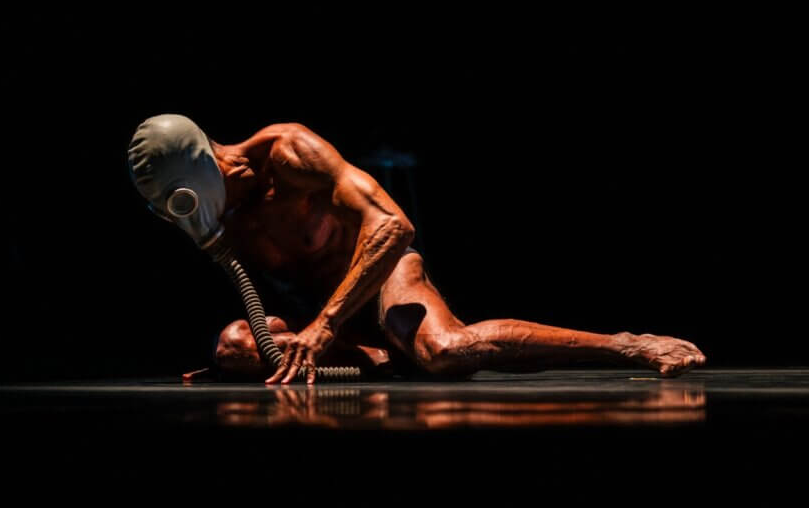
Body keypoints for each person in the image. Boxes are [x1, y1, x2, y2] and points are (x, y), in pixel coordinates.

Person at [128, 114, 706, 385]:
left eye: (181, 203)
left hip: (377, 276)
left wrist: (327, 324)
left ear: (202, 173)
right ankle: (391, 361)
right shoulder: (221, 211)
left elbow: (393, 226)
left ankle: (626, 346)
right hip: (327, 321)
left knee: (444, 351)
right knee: (232, 349)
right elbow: (257, 306)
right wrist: (250, 355)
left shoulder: (288, 153)